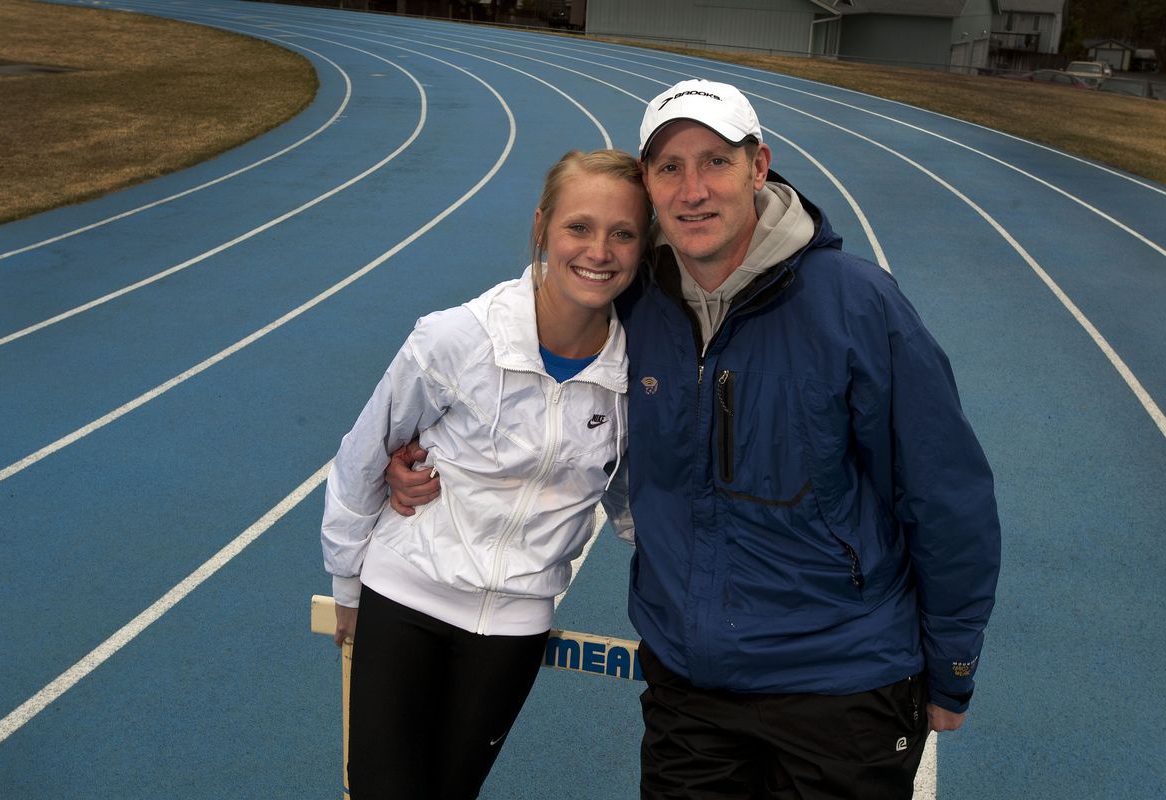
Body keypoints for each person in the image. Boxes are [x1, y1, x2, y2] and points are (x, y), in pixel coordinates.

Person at [388, 79, 1002, 799]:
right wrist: (428, 464)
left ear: (759, 166)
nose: (693, 190)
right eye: (669, 168)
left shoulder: (856, 305)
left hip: (842, 685)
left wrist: (952, 666)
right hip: (690, 689)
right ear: (647, 185)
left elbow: (946, 492)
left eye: (715, 161)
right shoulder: (632, 301)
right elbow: (532, 382)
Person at [321, 148, 647, 799]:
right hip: (405, 598)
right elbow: (364, 452)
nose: (599, 251)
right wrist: (348, 586)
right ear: (541, 227)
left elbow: (636, 499)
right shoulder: (455, 340)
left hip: (512, 630)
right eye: (579, 227)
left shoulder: (637, 375)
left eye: (623, 233)